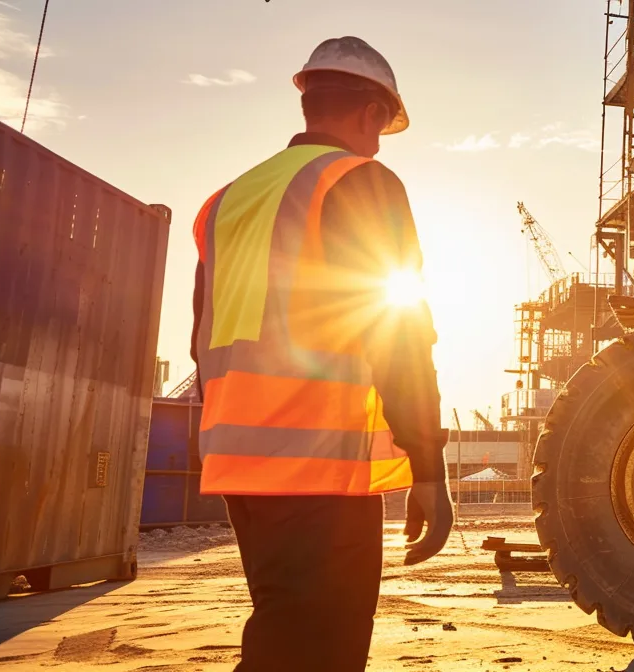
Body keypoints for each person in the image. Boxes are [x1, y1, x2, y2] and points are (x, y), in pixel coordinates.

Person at [188, 36, 452, 671]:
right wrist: (429, 465)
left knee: (285, 632)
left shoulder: (228, 200)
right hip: (317, 466)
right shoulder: (360, 179)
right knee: (318, 651)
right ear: (369, 114)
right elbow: (398, 324)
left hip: (241, 465)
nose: (379, 143)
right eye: (382, 128)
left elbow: (204, 335)